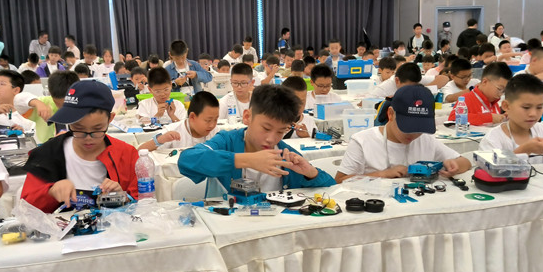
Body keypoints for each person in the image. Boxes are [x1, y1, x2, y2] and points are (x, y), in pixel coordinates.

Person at [179, 85, 335, 192]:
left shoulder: (285, 156)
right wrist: (246, 160)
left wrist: (311, 173)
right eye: (266, 128)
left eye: (281, 131)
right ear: (247, 117)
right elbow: (186, 160)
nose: (271, 139)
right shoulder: (227, 142)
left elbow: (333, 190)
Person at [20, 80, 139, 211]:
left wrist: (123, 198)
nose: (88, 138)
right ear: (68, 122)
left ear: (110, 119)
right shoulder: (47, 154)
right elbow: (26, 208)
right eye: (78, 129)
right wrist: (50, 192)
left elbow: (143, 203)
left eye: (97, 129)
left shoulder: (126, 154)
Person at [335, 85, 471, 182]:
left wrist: (453, 165)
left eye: (420, 129)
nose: (414, 135)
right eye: (408, 127)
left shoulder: (426, 140)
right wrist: (383, 174)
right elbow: (340, 180)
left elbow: (465, 162)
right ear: (391, 114)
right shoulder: (362, 141)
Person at [479, 74, 543, 154]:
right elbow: (492, 162)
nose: (533, 114)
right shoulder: (493, 140)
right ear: (506, 106)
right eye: (526, 107)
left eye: (539, 107)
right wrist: (523, 151)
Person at [0, 70, 50, 134]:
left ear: (16, 90)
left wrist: (23, 133)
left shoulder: (25, 117)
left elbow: (34, 135)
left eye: (2, 84)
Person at [139, 91, 220, 151]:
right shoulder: (172, 131)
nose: (212, 125)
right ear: (192, 117)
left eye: (216, 119)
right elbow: (140, 151)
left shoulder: (216, 132)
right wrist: (160, 140)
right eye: (208, 120)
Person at [20, 71, 80, 144]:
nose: (63, 108)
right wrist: (36, 102)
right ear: (50, 94)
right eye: (57, 103)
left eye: (67, 103)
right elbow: (17, 100)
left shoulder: (85, 107)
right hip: (46, 146)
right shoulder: (44, 102)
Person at [448, 62, 512, 126]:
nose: (500, 94)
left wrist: (503, 117)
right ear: (485, 82)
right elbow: (453, 118)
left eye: (504, 91)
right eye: (499, 89)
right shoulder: (466, 99)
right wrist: (488, 118)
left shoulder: (494, 103)